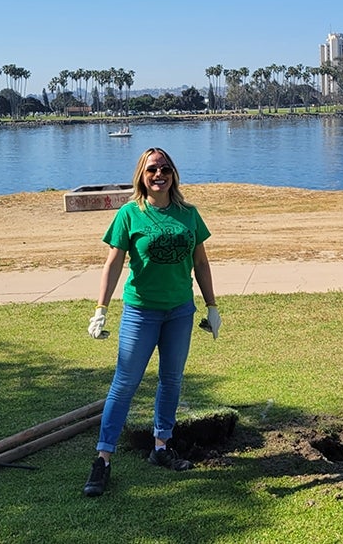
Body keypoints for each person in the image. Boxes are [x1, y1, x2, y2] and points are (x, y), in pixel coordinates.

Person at [82, 147, 221, 497]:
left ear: (173, 174)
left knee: (171, 379)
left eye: (164, 169)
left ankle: (161, 447)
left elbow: (201, 263)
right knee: (124, 383)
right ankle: (103, 458)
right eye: (151, 170)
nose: (158, 175)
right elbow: (113, 264)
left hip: (180, 311)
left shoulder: (189, 214)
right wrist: (100, 308)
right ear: (141, 177)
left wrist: (211, 306)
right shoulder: (130, 214)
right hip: (141, 311)